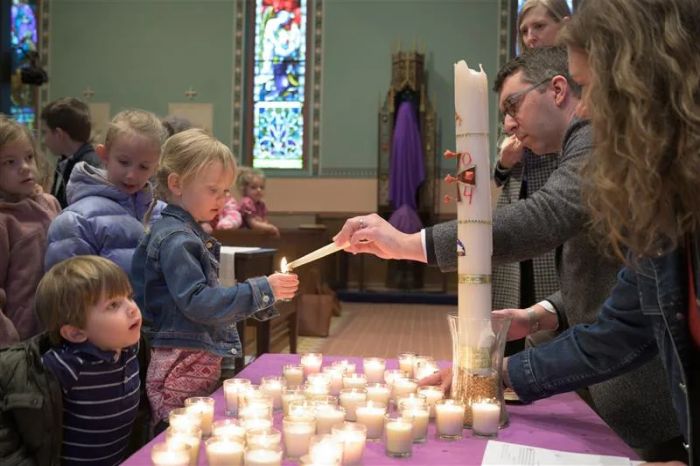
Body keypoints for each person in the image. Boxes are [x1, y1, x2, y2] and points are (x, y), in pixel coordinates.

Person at [333, 46, 681, 457]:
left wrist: (412, 244)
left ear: (558, 89)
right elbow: (614, 270)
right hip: (607, 369)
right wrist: (541, 314)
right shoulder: (568, 147)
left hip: (642, 390)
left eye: (585, 84)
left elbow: (549, 216)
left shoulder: (594, 133)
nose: (509, 124)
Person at [131, 128, 298, 425]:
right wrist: (262, 290)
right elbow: (200, 303)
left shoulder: (189, 233)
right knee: (181, 433)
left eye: (226, 191)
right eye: (213, 190)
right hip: (181, 361)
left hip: (192, 355)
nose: (222, 200)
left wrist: (267, 294)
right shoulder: (176, 239)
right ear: (177, 184)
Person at [0, 256, 143, 465]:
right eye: (113, 305)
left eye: (129, 297)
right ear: (76, 333)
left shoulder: (132, 348)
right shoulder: (65, 367)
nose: (132, 308)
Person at [492, 0, 571, 352]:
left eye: (539, 26)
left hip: (556, 206)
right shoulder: (519, 75)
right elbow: (497, 172)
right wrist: (504, 162)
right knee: (513, 308)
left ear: (566, 26)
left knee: (550, 312)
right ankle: (515, 370)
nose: (530, 36)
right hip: (517, 202)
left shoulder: (576, 82)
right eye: (524, 30)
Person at [44, 109, 166, 274]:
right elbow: (67, 292)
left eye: (143, 167)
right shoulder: (77, 221)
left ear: (155, 168)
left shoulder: (163, 214)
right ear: (104, 155)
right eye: (124, 162)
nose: (131, 175)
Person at [0, 115, 61, 347]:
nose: (25, 167)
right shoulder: (4, 221)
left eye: (28, 157)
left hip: (57, 329)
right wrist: (9, 343)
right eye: (10, 162)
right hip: (20, 341)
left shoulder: (50, 203)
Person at [41, 97, 102, 208]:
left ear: (59, 134)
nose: (43, 140)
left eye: (45, 132)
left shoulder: (89, 168)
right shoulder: (65, 160)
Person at [236, 166, 280, 237]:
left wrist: (266, 225)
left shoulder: (261, 204)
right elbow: (252, 223)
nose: (259, 190)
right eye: (254, 187)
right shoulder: (247, 202)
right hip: (242, 235)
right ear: (244, 189)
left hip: (254, 235)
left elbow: (264, 220)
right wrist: (270, 228)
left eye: (261, 187)